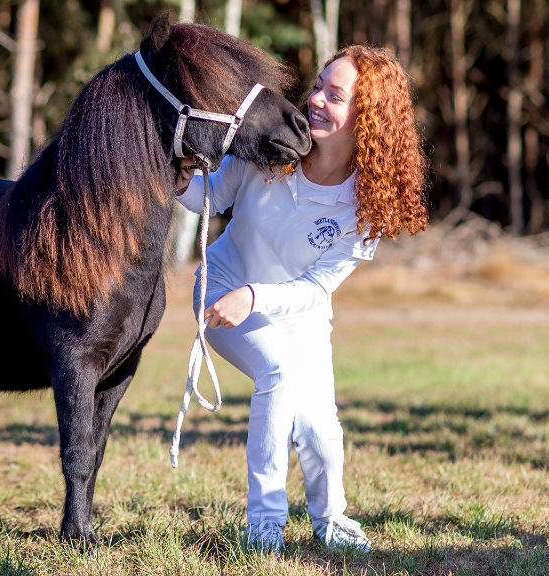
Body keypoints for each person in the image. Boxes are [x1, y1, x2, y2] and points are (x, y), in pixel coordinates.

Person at [175, 45, 428, 553]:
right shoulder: (273, 148)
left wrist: (258, 296)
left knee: (318, 432)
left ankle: (330, 519)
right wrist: (177, 175)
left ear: (367, 120)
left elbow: (315, 290)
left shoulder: (364, 207)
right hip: (225, 291)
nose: (314, 100)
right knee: (278, 374)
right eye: (318, 86)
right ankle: (265, 527)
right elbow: (213, 197)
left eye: (334, 96)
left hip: (299, 316)